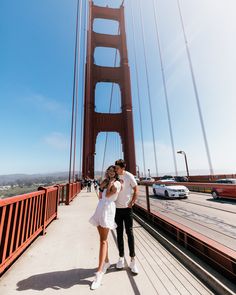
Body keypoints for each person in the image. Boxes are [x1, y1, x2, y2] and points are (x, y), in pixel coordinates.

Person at [89, 165, 121, 290]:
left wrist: (109, 183)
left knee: (103, 241)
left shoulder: (117, 184)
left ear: (116, 172)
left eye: (113, 171)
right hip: (100, 207)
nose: (111, 173)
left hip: (108, 209)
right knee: (102, 239)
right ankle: (106, 262)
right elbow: (100, 193)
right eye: (109, 171)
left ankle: (99, 272)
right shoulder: (107, 181)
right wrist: (104, 183)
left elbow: (107, 195)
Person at [114, 159, 139, 274]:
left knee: (130, 233)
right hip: (117, 210)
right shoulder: (115, 176)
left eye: (117, 168)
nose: (115, 170)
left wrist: (133, 201)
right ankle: (121, 258)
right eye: (115, 168)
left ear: (122, 168)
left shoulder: (129, 176)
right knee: (119, 233)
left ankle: (133, 260)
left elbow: (136, 189)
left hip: (127, 209)